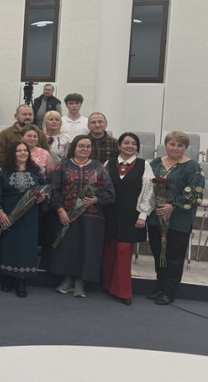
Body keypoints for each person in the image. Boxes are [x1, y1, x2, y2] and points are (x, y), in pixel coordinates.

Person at [49, 135, 115, 299]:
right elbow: (53, 188)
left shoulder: (98, 167)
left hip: (90, 216)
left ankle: (80, 281)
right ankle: (67, 279)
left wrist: (96, 199)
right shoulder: (63, 164)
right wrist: (60, 209)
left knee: (87, 248)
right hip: (66, 215)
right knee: (67, 246)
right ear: (74, 147)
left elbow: (110, 192)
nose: (85, 149)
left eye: (88, 146)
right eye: (81, 146)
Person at [146, 131, 205, 305]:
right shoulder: (155, 163)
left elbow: (195, 193)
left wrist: (173, 205)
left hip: (179, 219)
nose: (175, 148)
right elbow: (146, 187)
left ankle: (169, 292)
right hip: (156, 217)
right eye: (172, 144)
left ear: (185, 147)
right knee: (158, 253)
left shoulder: (192, 167)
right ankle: (160, 287)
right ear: (166, 145)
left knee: (174, 257)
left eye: (180, 145)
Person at [0, 141, 46, 298]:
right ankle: (8, 277)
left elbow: (44, 190)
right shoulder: (3, 171)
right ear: (13, 153)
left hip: (29, 216)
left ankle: (22, 281)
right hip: (7, 214)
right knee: (8, 245)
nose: (23, 153)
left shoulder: (36, 171)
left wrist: (42, 198)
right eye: (19, 150)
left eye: (25, 150)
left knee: (26, 246)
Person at [103, 133, 154, 305]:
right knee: (110, 251)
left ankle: (123, 291)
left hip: (132, 216)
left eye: (134, 143)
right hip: (110, 214)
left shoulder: (144, 165)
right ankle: (108, 285)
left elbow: (149, 192)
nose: (130, 146)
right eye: (126, 143)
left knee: (123, 252)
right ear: (119, 146)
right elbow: (100, 186)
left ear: (137, 148)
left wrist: (143, 215)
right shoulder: (108, 163)